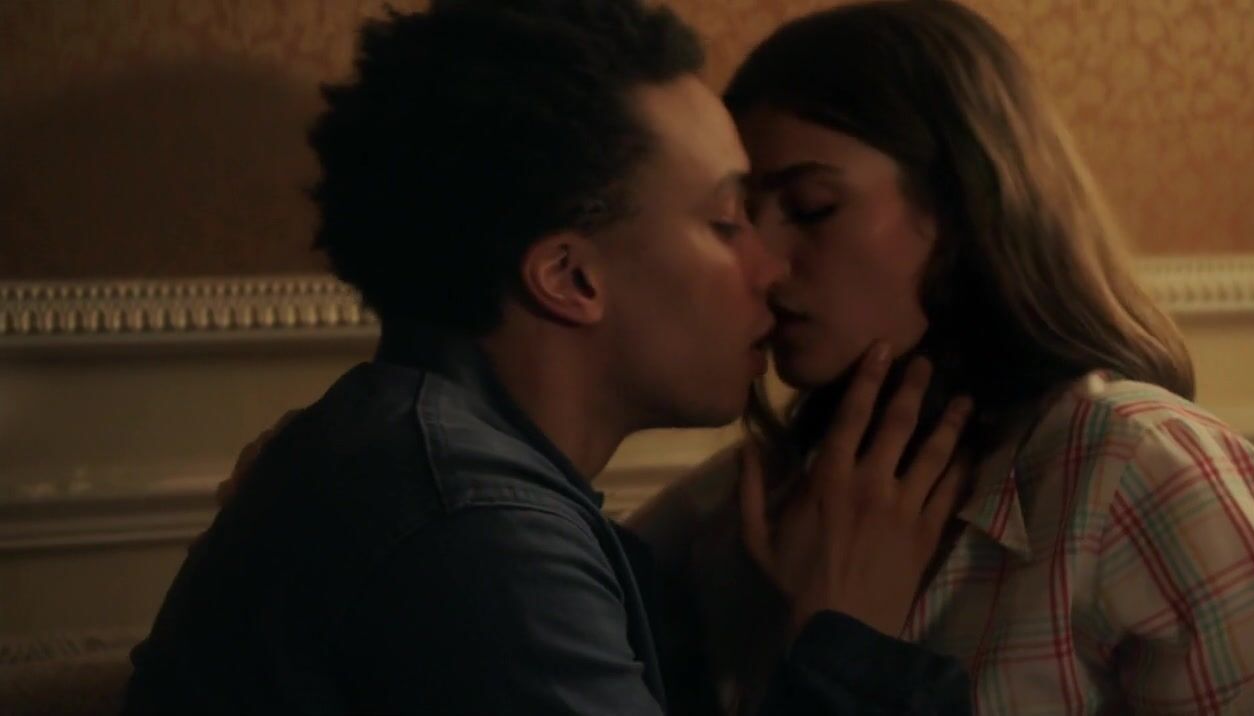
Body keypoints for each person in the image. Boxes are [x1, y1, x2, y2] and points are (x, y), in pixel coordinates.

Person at [122, 1, 974, 713]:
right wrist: (851, 646)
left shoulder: (416, 465)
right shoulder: (473, 528)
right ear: (570, 277)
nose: (771, 267)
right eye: (726, 223)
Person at [629, 1, 1254, 713]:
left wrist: (846, 653)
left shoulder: (1135, 471)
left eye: (812, 207)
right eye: (738, 219)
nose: (765, 262)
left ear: (966, 204)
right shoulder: (735, 507)